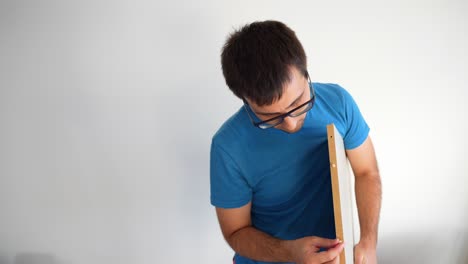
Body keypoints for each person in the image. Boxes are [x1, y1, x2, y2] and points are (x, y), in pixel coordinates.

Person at [210, 20, 381, 264]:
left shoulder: (338, 102)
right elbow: (235, 232)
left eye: (297, 103)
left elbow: (367, 172)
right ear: (246, 100)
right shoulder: (227, 147)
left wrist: (368, 240)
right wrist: (288, 252)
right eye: (270, 117)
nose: (290, 124)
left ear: (305, 73)